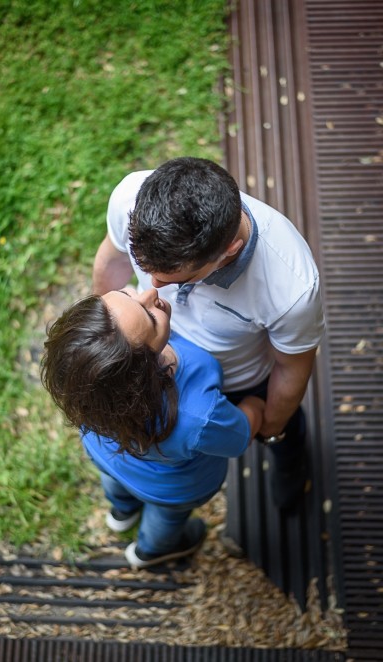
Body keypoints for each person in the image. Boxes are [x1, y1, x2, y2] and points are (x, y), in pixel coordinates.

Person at [92, 157, 323, 510]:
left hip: (242, 380)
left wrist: (270, 427)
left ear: (230, 249)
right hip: (155, 353)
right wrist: (108, 335)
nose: (153, 289)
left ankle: (289, 465)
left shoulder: (292, 288)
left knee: (287, 433)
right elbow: (110, 262)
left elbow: (292, 368)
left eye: (174, 278)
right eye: (146, 269)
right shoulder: (131, 199)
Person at [42, 288, 266, 569]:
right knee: (166, 519)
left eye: (126, 292)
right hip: (170, 488)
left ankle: (122, 512)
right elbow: (239, 437)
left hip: (108, 457)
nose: (150, 292)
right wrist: (255, 406)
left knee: (116, 483)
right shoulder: (197, 414)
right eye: (149, 316)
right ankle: (152, 550)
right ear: (144, 371)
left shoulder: (92, 385)